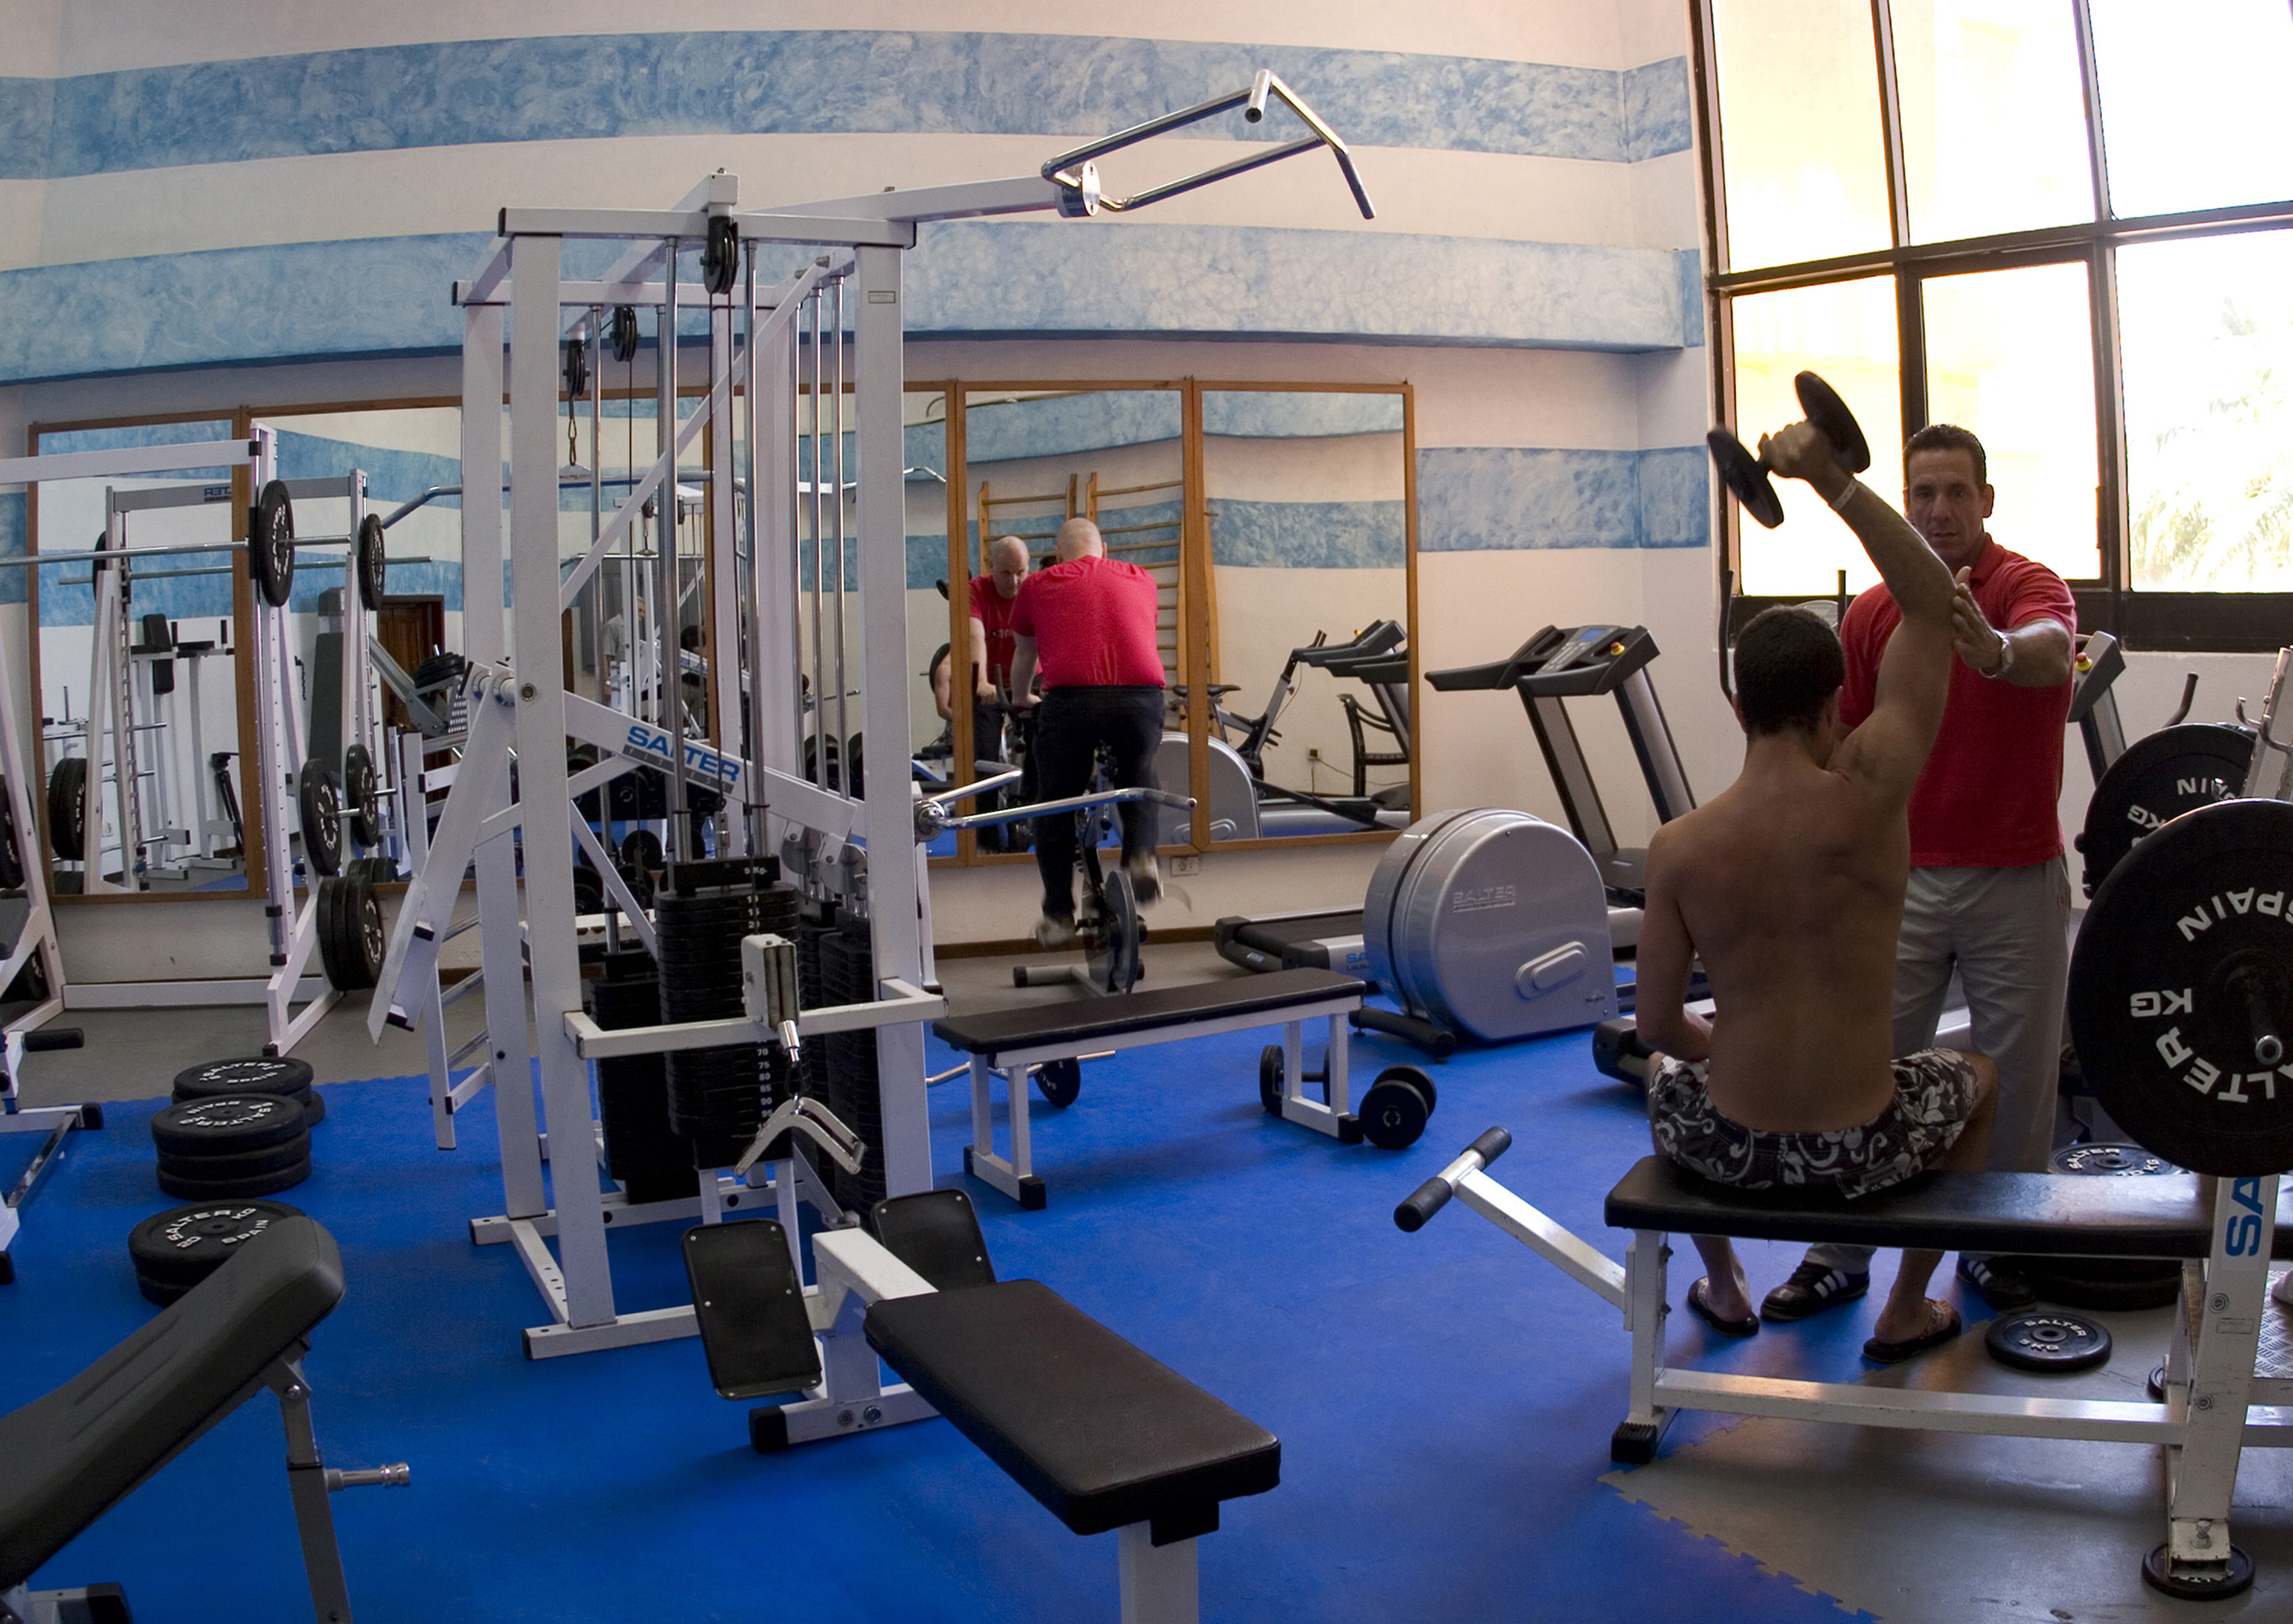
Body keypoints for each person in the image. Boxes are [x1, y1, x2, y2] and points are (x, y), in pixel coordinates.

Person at [1635, 416, 1999, 1365]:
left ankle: (1721, 1282)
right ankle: (1905, 1306)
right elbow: (1931, 608)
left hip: (1732, 1151)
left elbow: (1658, 1026)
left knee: (1663, 1079)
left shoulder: (1677, 847)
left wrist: (1727, 1054)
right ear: (1839, 700)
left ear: (1735, 705)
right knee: (1981, 1077)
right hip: (1863, 1148)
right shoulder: (1871, 796)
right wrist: (1832, 482)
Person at [1761, 424, 2076, 1326]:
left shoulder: (2024, 586)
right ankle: (1840, 1252)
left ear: (1986, 500)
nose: (1938, 509)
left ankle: (2000, 1243)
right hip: (1900, 875)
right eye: (1922, 494)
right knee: (1866, 1062)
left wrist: (1995, 652)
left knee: (2013, 1077)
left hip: (2015, 873)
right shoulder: (1871, 614)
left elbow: (2051, 649)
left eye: (1954, 492)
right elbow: (1846, 743)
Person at [1006, 516, 1166, 946]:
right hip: (1140, 699)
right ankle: (1142, 857)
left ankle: (1058, 913)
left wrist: (1020, 698)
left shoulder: (1038, 584)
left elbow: (1025, 656)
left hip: (1072, 702)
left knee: (1054, 802)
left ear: (1058, 556)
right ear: (1105, 550)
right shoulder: (1142, 579)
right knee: (1139, 773)